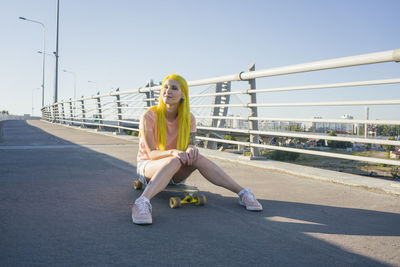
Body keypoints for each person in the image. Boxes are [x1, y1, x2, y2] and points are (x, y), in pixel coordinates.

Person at [132, 74, 263, 225]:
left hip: (176, 166)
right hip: (149, 165)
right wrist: (172, 152)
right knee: (174, 159)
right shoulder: (149, 115)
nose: (167, 91)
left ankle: (243, 193)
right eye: (165, 87)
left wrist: (191, 149)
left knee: (196, 158)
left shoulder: (189, 118)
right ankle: (142, 202)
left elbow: (190, 144)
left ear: (183, 95)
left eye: (174, 88)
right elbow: (151, 153)